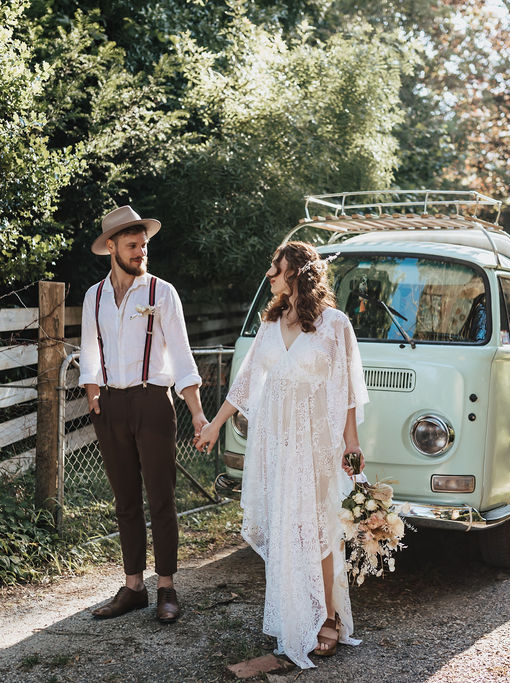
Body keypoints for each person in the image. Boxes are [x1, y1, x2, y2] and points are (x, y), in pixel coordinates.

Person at [195, 241, 369, 669]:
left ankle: (327, 617)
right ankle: (296, 616)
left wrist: (351, 442)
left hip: (316, 442)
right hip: (276, 443)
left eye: (276, 266)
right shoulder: (271, 323)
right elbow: (247, 379)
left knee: (319, 527)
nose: (270, 273)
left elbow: (346, 390)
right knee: (287, 524)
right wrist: (215, 424)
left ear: (297, 271)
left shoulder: (334, 324)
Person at [79, 205, 208, 623]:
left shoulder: (162, 293)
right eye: (132, 246)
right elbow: (90, 349)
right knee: (125, 501)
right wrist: (93, 389)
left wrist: (197, 412)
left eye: (144, 246)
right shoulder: (93, 296)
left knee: (161, 498)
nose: (140, 253)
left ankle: (166, 587)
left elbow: (183, 356)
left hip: (153, 402)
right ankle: (133, 587)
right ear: (111, 248)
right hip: (111, 407)